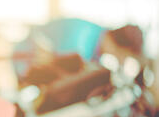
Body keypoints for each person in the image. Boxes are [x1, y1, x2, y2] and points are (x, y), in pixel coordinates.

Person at [13, 18, 144, 78]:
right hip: (19, 67)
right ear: (118, 47)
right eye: (123, 55)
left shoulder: (96, 36)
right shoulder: (81, 46)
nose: (121, 60)